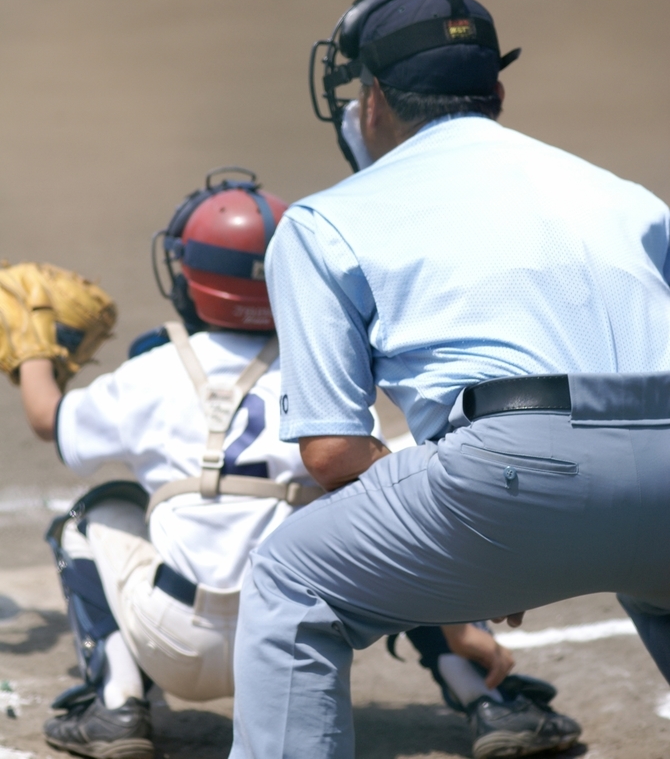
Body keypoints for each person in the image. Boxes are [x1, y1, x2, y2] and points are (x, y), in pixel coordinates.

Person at [229, 0, 670, 759]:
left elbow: (332, 454)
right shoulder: (628, 197)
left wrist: (487, 553)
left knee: (290, 581)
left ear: (372, 101)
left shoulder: (325, 221)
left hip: (510, 475)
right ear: (496, 92)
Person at [12, 165, 554, 759]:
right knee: (394, 508)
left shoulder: (151, 371)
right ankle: (488, 698)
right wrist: (460, 620)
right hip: (297, 639)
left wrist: (35, 355)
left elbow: (49, 419)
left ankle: (115, 705)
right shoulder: (325, 373)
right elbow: (381, 493)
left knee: (96, 513)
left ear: (190, 278)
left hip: (173, 641)